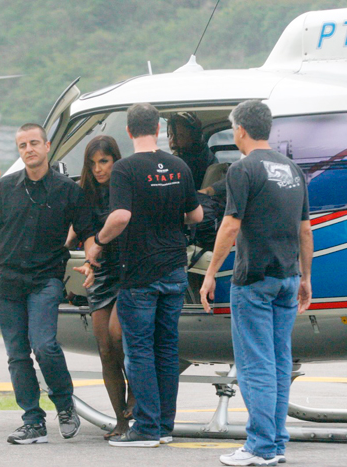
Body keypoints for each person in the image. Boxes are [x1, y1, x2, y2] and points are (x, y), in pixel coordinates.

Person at [199, 101, 313, 466]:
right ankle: (276, 442)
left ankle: (260, 447)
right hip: (287, 277)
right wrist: (306, 277)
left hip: (254, 280)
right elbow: (304, 228)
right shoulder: (292, 170)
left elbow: (231, 225)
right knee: (279, 362)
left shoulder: (241, 169)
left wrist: (210, 272)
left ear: (240, 130)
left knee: (255, 364)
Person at [86, 103, 203, 448]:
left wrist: (98, 242)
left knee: (139, 351)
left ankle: (147, 428)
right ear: (157, 128)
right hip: (174, 270)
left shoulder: (126, 169)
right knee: (166, 349)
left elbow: (120, 216)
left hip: (139, 274)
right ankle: (165, 425)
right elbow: (195, 215)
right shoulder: (179, 166)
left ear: (129, 131)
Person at [0, 123, 92, 445]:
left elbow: (88, 232)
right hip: (6, 282)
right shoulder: (5, 187)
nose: (29, 149)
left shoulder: (68, 190)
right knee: (17, 354)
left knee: (44, 345)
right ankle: (32, 422)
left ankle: (65, 406)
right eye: (23, 145)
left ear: (48, 146)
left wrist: (92, 261)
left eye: (34, 143)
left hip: (45, 279)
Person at [68, 135, 135, 439]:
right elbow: (85, 234)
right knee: (105, 350)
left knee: (118, 335)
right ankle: (120, 421)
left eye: (103, 161)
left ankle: (136, 396)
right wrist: (89, 259)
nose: (97, 169)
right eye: (92, 163)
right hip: (101, 271)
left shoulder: (126, 186)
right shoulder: (85, 195)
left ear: (114, 160)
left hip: (128, 269)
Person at [167, 111, 226, 198]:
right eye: (171, 135)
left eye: (180, 136)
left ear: (193, 138)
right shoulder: (203, 153)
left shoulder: (186, 164)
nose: (172, 141)